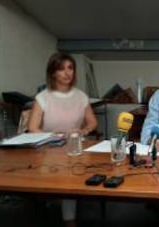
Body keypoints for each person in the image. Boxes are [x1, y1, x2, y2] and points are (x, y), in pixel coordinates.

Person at [28, 52, 98, 227]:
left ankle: (69, 220)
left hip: (74, 149)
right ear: (53, 73)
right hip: (48, 150)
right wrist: (53, 137)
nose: (67, 73)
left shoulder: (81, 96)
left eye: (70, 68)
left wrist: (84, 131)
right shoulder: (42, 97)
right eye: (61, 69)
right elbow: (32, 128)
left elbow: (92, 122)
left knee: (70, 176)